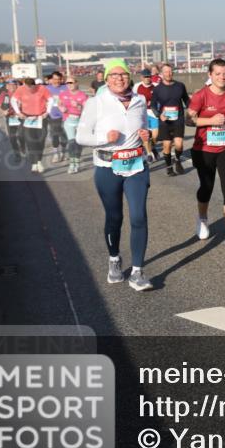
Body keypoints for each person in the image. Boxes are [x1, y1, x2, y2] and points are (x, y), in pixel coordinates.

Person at [75, 59, 153, 291]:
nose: (119, 78)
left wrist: (146, 135)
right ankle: (114, 260)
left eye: (123, 75)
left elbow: (142, 128)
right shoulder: (96, 102)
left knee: (138, 216)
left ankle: (138, 272)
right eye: (114, 75)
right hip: (107, 167)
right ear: (107, 79)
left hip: (136, 165)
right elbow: (81, 137)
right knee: (114, 217)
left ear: (130, 77)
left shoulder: (140, 100)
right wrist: (103, 140)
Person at [188, 58, 225, 248]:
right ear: (210, 75)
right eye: (218, 74)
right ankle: (203, 218)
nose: (222, 77)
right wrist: (210, 120)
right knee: (207, 187)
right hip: (203, 148)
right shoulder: (201, 96)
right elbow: (188, 120)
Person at [151, 63, 190, 176]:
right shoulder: (158, 89)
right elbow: (153, 105)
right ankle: (169, 167)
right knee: (167, 146)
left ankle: (177, 160)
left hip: (178, 118)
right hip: (164, 120)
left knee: (179, 144)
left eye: (170, 71)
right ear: (162, 74)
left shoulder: (180, 86)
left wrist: (192, 110)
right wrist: (159, 115)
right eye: (166, 72)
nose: (169, 73)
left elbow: (186, 100)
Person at [12, 77, 51, 173]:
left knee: (40, 141)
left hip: (40, 117)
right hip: (27, 118)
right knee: (30, 141)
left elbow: (51, 100)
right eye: (27, 88)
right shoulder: (21, 89)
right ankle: (34, 163)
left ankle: (39, 161)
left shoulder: (42, 89)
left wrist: (48, 112)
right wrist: (18, 112)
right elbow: (13, 100)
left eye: (31, 88)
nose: (29, 90)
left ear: (35, 85)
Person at [59, 76, 89, 174]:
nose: (69, 85)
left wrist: (79, 106)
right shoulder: (63, 94)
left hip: (80, 121)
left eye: (71, 83)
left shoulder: (83, 95)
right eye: (67, 83)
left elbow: (87, 109)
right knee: (71, 142)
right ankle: (72, 164)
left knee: (78, 142)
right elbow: (59, 103)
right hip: (68, 121)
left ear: (76, 83)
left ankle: (77, 162)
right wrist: (62, 108)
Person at [133, 69, 159, 160]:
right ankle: (148, 154)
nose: (147, 78)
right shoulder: (137, 87)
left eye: (149, 76)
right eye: (145, 77)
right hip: (142, 114)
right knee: (145, 135)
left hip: (154, 114)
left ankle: (153, 147)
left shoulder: (156, 86)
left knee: (155, 136)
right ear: (141, 77)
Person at [45, 71, 69, 162]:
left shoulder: (65, 87)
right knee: (55, 135)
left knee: (64, 135)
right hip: (53, 115)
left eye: (59, 79)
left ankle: (63, 152)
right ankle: (56, 153)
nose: (57, 81)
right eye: (55, 79)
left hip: (65, 115)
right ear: (51, 79)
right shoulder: (47, 88)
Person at [0, 80, 25, 159]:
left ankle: (23, 148)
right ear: (7, 86)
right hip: (10, 118)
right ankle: (17, 155)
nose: (11, 87)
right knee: (12, 138)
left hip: (20, 118)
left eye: (13, 85)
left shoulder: (21, 94)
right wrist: (3, 111)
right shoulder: (4, 94)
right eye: (9, 85)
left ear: (16, 86)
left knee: (21, 135)